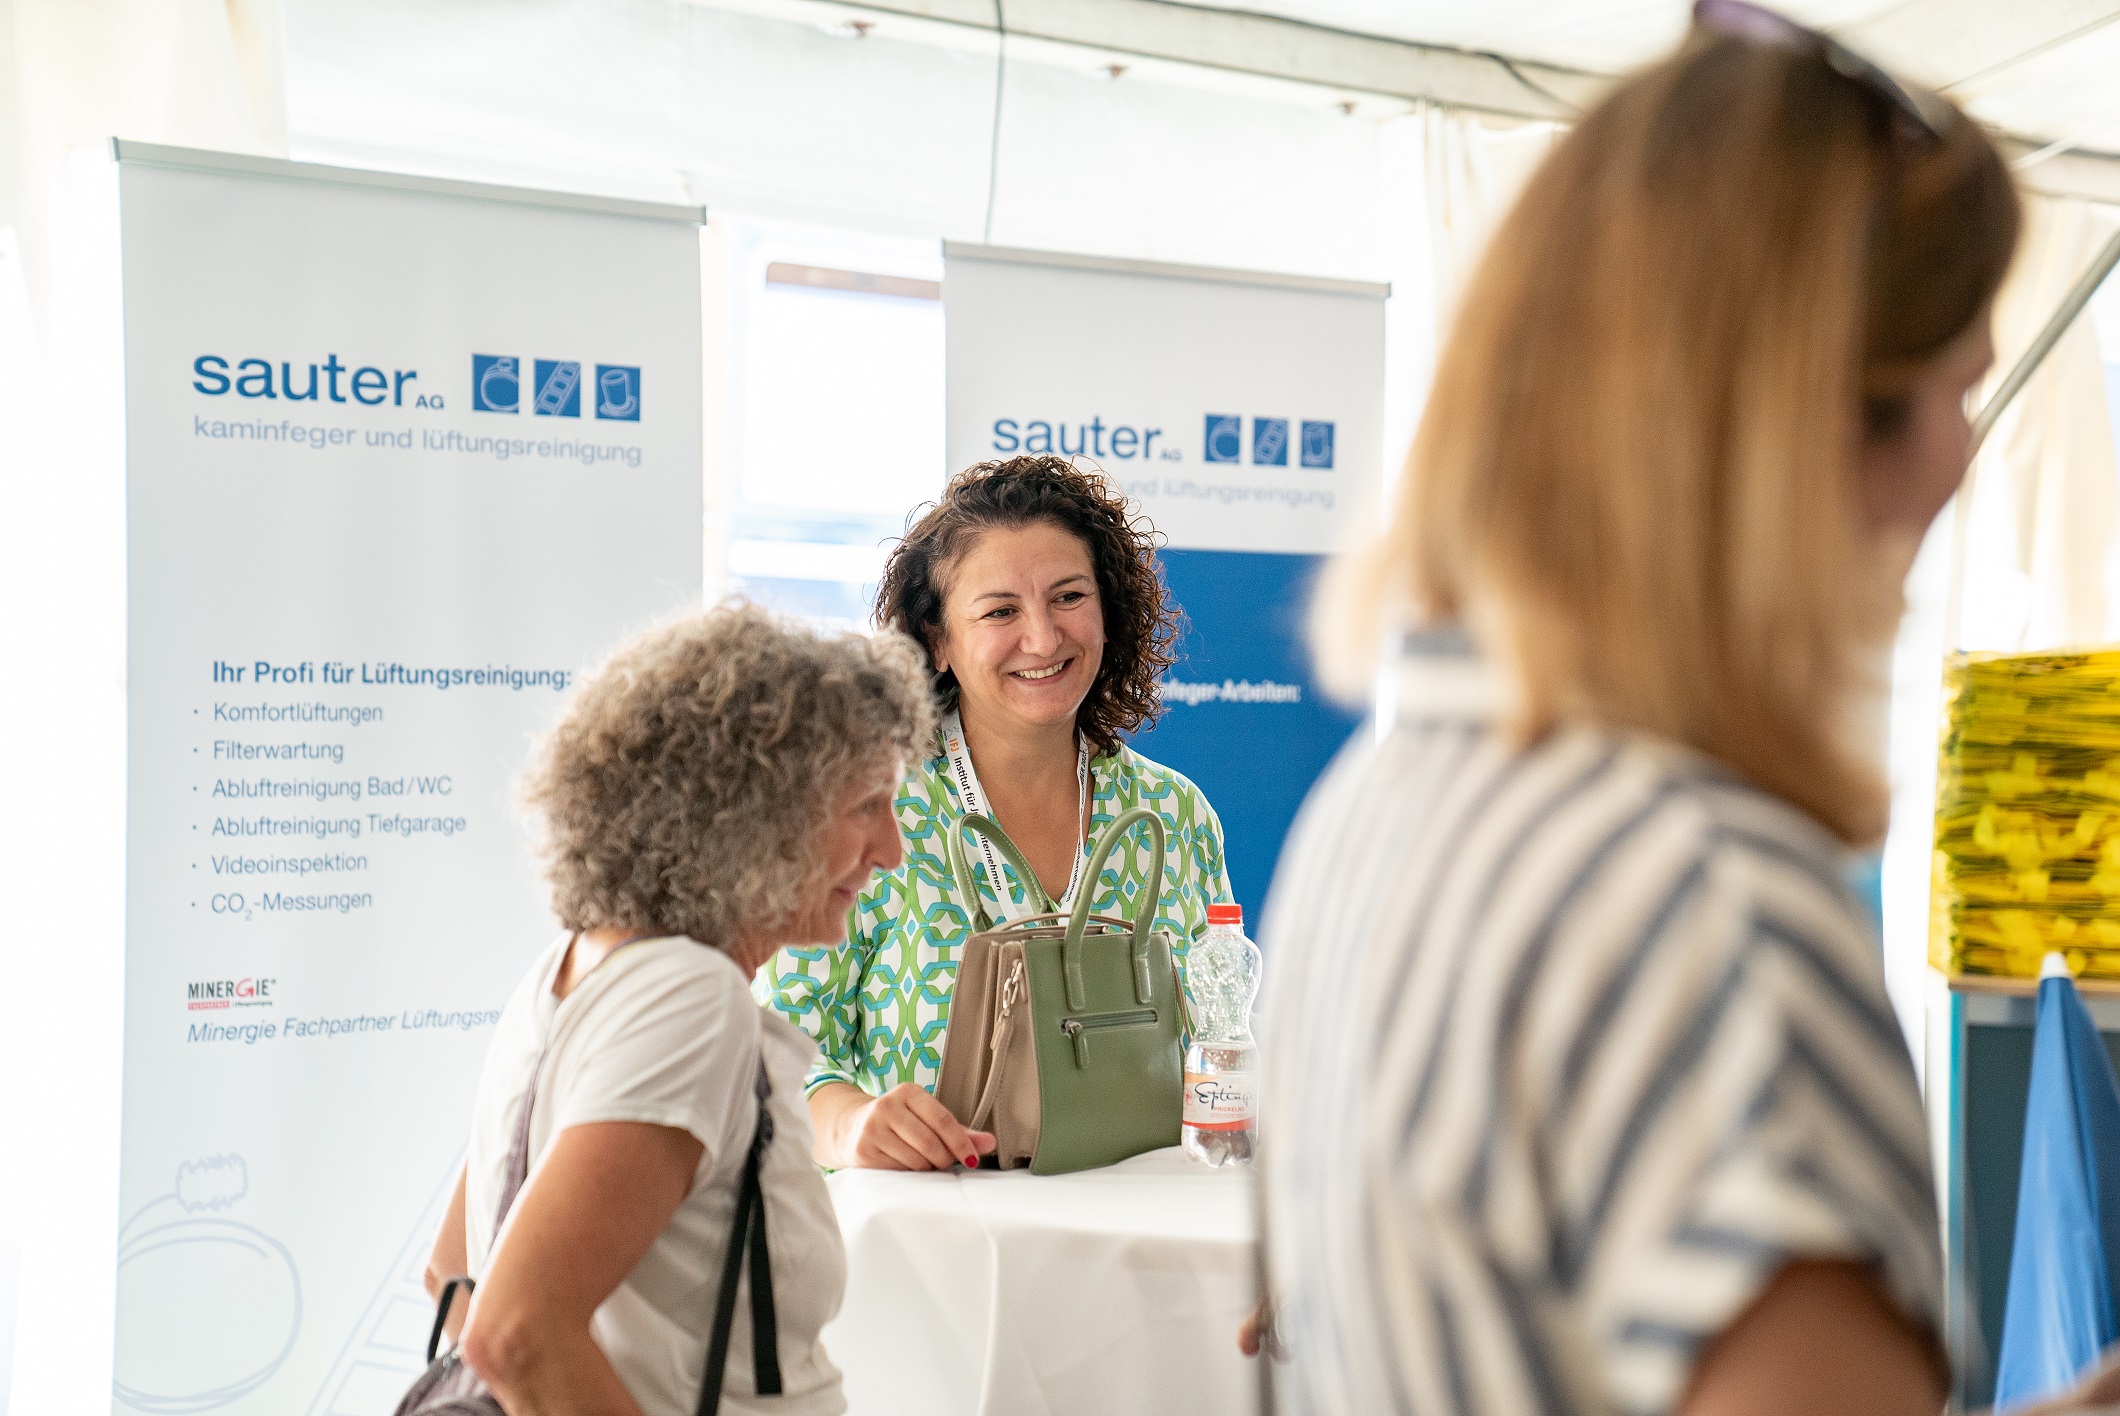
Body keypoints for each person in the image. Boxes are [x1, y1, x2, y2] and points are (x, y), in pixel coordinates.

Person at [1253, 7, 2120, 1415]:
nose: (1964, 463)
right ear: (1783, 429)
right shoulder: (1712, 914)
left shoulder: (1384, 803)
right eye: (1947, 396)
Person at [421, 604, 934, 1416]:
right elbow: (511, 1330)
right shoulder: (690, 1000)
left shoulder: (565, 973)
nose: (892, 848)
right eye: (867, 804)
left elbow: (453, 1274)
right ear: (756, 814)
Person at [758, 455, 1234, 1170]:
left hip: (1143, 1251)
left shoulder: (1174, 813)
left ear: (1110, 611)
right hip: (936, 1252)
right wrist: (848, 1123)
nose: (1043, 638)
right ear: (938, 640)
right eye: (1000, 611)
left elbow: (1220, 1041)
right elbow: (773, 1051)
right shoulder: (864, 813)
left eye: (1069, 597)